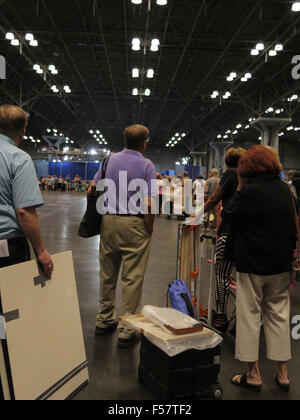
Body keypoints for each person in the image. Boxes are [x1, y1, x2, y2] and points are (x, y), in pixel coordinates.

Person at [222, 145, 297, 392]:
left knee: (250, 316)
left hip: (252, 265)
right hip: (280, 265)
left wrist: (241, 185)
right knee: (278, 316)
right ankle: (282, 373)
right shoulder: (286, 190)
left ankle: (253, 374)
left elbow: (228, 215)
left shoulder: (249, 192)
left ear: (249, 166)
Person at [95, 124, 157, 348]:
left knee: (107, 273)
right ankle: (127, 330)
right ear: (144, 143)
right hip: (134, 223)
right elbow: (150, 203)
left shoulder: (108, 160)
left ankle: (104, 320)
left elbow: (92, 188)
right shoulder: (147, 165)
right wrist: (149, 227)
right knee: (132, 278)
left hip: (109, 220)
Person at [0, 105, 53, 277]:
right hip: (5, 249)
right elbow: (24, 212)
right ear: (22, 133)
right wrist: (41, 251)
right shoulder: (19, 158)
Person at [204, 148, 246, 333]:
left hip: (228, 233)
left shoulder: (231, 173)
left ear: (228, 161)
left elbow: (215, 198)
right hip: (247, 236)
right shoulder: (249, 175)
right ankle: (242, 319)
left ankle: (220, 316)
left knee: (222, 273)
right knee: (244, 279)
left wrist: (199, 212)